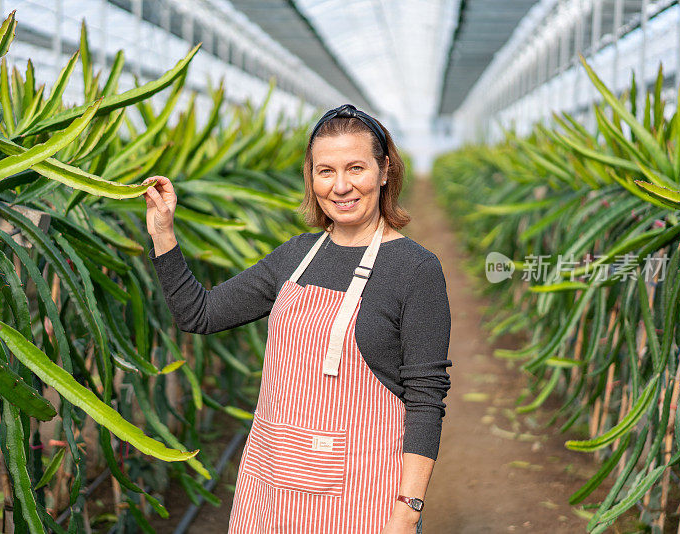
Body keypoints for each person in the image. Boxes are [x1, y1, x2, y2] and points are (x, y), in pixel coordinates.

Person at [143, 104, 451, 534]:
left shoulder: (415, 269)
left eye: (356, 168)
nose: (341, 186)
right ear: (311, 178)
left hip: (363, 499)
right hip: (272, 488)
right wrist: (163, 232)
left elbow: (425, 395)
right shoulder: (296, 256)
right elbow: (200, 313)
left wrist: (408, 508)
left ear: (384, 171)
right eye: (325, 171)